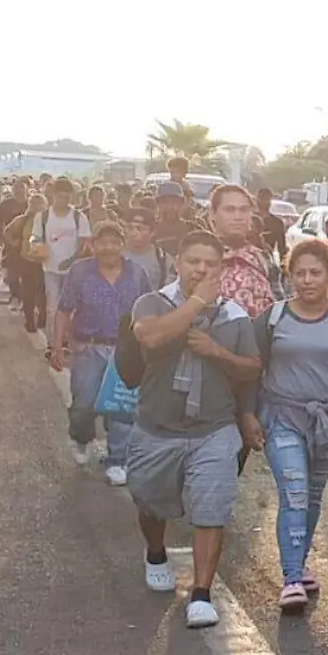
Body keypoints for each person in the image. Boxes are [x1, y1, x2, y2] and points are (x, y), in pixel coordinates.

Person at [126, 231, 262, 629]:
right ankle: (155, 551)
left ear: (220, 269)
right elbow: (150, 337)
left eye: (210, 265)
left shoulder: (235, 315)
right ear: (177, 264)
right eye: (193, 262)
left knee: (212, 508)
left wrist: (217, 352)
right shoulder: (153, 303)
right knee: (149, 501)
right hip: (158, 427)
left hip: (214, 429)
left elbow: (253, 367)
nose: (201, 270)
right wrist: (197, 302)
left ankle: (201, 593)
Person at [247, 239, 328, 613]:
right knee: (295, 492)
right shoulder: (272, 319)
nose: (306, 280)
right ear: (289, 276)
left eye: (315, 273)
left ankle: (299, 563)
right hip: (282, 417)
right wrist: (248, 415)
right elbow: (251, 370)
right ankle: (291, 578)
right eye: (299, 273)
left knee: (314, 495)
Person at [51, 221, 152, 485]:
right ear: (93, 245)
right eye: (102, 242)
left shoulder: (137, 273)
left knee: (121, 407)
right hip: (88, 348)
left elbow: (148, 310)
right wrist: (57, 346)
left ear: (122, 244)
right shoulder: (80, 271)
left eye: (114, 242)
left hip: (125, 350)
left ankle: (117, 460)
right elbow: (64, 310)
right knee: (84, 404)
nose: (108, 248)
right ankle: (81, 437)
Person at [206, 184, 276, 319]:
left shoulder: (262, 258)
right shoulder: (198, 256)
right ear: (213, 214)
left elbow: (278, 302)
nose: (238, 217)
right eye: (229, 210)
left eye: (244, 210)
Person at [30, 177, 91, 316]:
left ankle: (67, 335)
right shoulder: (43, 216)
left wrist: (71, 260)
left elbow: (83, 242)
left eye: (66, 197)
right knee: (53, 306)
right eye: (60, 197)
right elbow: (35, 236)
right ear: (53, 195)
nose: (63, 201)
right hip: (50, 268)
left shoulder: (78, 217)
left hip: (72, 270)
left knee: (71, 307)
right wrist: (35, 247)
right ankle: (54, 336)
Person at [4, 193, 50, 333]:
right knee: (28, 293)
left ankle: (43, 317)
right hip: (27, 261)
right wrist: (13, 242)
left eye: (40, 204)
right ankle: (29, 320)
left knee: (44, 293)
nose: (37, 207)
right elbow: (7, 232)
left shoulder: (51, 221)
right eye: (34, 204)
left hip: (46, 262)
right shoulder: (23, 220)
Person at [121, 207, 170, 288]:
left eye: (139, 228)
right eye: (130, 228)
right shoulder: (115, 255)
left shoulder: (162, 259)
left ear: (152, 231)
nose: (134, 233)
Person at [151, 180, 197, 256]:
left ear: (182, 203)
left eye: (175, 202)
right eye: (165, 202)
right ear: (158, 203)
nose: (170, 207)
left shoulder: (192, 228)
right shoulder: (150, 229)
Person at [252, 186, 289, 262]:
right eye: (262, 198)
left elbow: (282, 248)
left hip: (267, 261)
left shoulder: (277, 223)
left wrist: (284, 268)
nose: (265, 202)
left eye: (267, 199)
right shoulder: (249, 220)